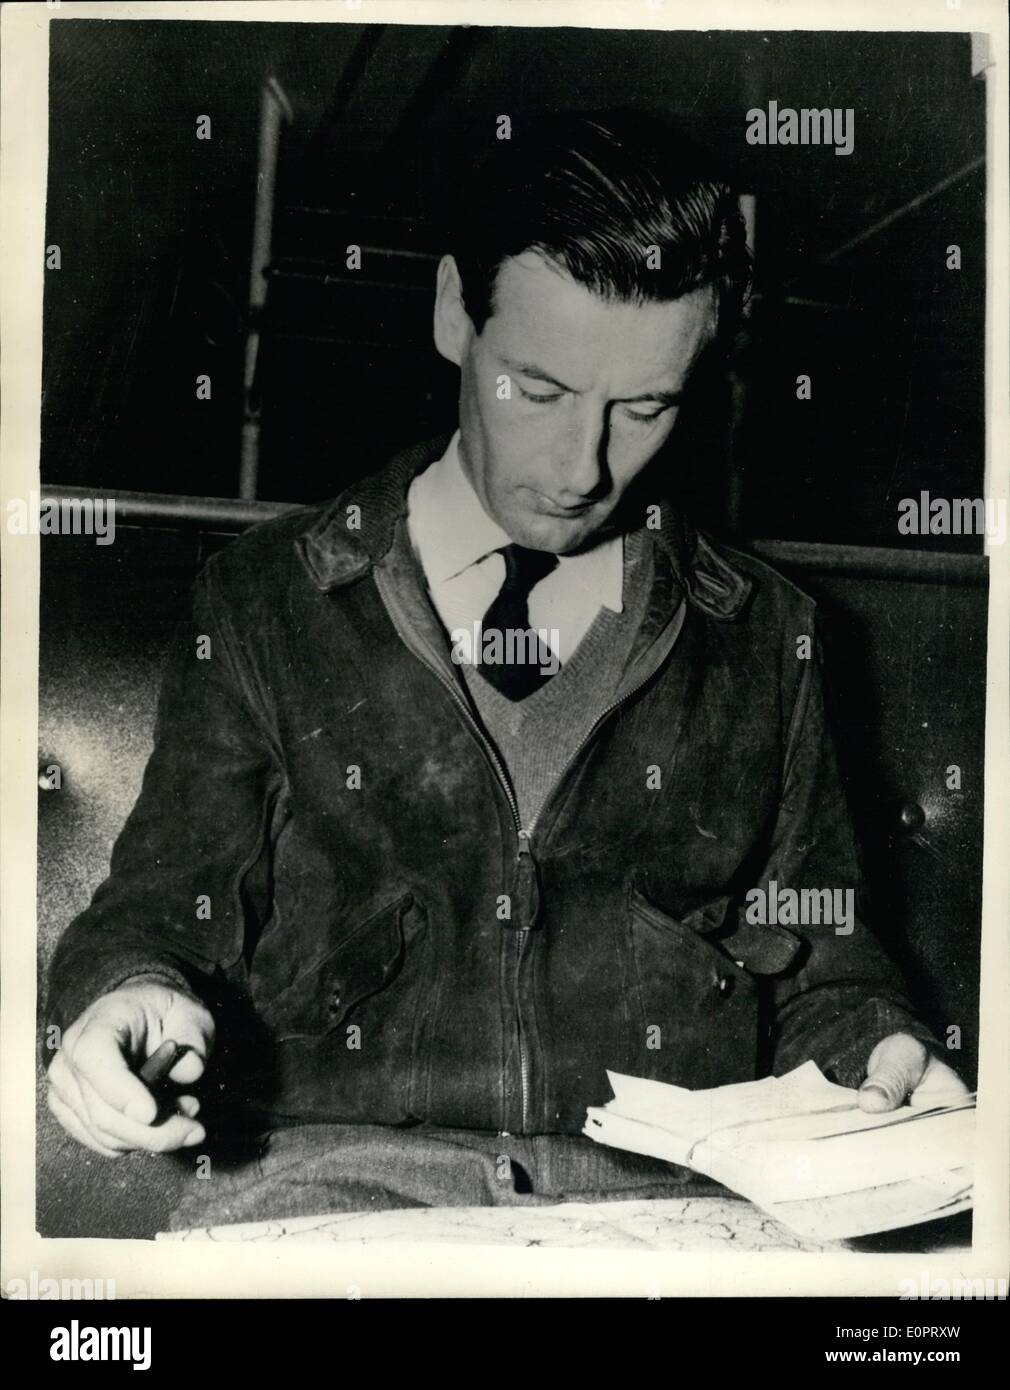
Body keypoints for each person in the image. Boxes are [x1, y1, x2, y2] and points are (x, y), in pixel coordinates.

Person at [44, 110, 966, 1227]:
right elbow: (159, 910)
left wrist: (882, 1048)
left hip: (673, 1206)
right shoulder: (267, 599)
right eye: (535, 389)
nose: (582, 470)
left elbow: (823, 957)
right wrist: (123, 997)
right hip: (329, 1195)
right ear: (451, 317)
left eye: (644, 408)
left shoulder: (769, 637)